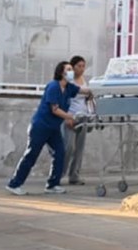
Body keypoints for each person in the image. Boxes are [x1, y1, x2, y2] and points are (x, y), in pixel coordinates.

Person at [6, 61, 92, 195]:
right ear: (61, 72)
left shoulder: (69, 88)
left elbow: (83, 91)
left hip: (53, 129)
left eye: (71, 69)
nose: (72, 72)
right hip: (41, 126)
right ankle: (14, 184)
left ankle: (52, 185)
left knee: (60, 153)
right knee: (31, 155)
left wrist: (96, 90)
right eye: (69, 69)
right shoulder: (53, 86)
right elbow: (55, 109)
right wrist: (71, 117)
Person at [63, 55, 94, 185]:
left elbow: (85, 97)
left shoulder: (83, 79)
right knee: (68, 147)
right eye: (79, 66)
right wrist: (66, 117)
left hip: (83, 116)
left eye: (83, 66)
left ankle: (74, 175)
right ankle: (58, 174)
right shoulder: (68, 81)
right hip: (71, 116)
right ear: (72, 67)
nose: (81, 69)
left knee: (79, 148)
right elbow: (63, 99)